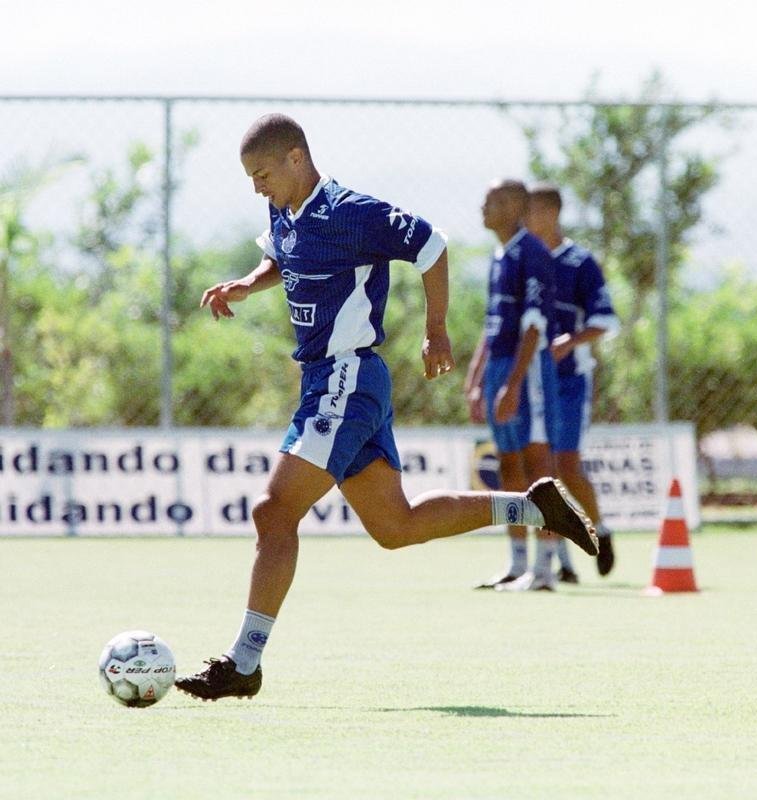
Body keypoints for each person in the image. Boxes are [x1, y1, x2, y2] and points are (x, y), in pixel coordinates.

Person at [175, 115, 597, 701]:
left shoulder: (353, 212)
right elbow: (284, 259)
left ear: (297, 158)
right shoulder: (283, 209)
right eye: (251, 178)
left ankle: (244, 662)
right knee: (395, 527)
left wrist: (436, 330)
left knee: (274, 512)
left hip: (347, 377)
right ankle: (532, 510)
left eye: (263, 174)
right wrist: (246, 284)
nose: (257, 188)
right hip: (329, 381)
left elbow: (433, 246)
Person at [464, 179, 572, 592]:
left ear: (511, 207)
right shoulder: (499, 256)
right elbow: (494, 327)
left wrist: (512, 384)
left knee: (538, 465)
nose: (482, 208)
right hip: (501, 369)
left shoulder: (533, 254)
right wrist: (478, 381)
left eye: (490, 201)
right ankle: (517, 564)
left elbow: (534, 327)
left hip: (527, 372)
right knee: (508, 463)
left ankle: (545, 569)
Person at [525, 183, 619, 580]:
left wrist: (571, 341)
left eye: (530, 211)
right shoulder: (524, 259)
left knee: (566, 464)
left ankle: (601, 532)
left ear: (549, 213)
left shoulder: (580, 262)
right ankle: (560, 562)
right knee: (539, 469)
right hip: (530, 381)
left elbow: (606, 320)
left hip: (568, 380)